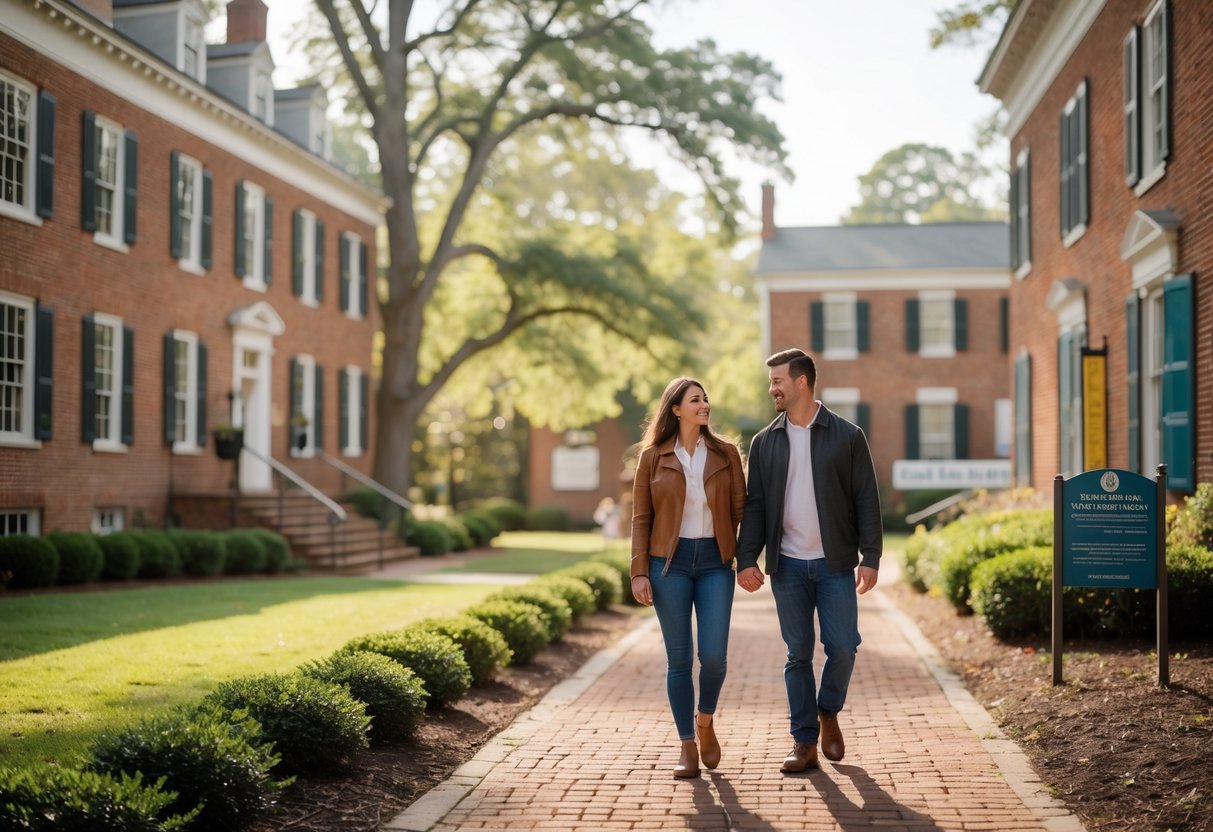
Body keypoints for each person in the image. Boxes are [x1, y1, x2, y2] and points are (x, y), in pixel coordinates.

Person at [736, 348, 882, 773]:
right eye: (771, 382)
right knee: (798, 654)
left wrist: (870, 555)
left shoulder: (847, 435)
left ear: (801, 381)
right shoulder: (766, 442)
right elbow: (756, 506)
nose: (772, 389)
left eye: (778, 380)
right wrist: (747, 558)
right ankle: (804, 741)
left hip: (835, 564)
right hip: (789, 567)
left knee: (843, 647)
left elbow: (866, 499)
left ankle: (828, 711)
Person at [631, 377, 746, 778]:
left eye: (706, 398)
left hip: (716, 562)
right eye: (695, 399)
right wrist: (639, 572)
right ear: (676, 409)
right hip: (669, 564)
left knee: (713, 657)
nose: (704, 404)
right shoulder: (653, 458)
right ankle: (686, 746)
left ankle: (705, 720)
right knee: (679, 660)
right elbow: (641, 519)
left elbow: (740, 513)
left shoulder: (726, 453)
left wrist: (745, 560)